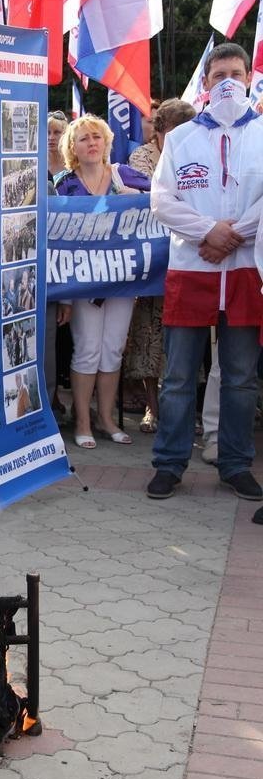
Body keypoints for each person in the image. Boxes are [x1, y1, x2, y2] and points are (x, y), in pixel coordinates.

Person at [147, 43, 263, 501]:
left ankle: (235, 463)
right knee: (178, 375)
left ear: (251, 78)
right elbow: (161, 200)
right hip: (192, 268)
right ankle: (169, 463)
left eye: (237, 72)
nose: (229, 81)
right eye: (220, 75)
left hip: (246, 269)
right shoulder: (181, 139)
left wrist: (232, 235)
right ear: (207, 83)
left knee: (239, 376)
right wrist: (207, 233)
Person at [55, 114, 150, 449]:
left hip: (121, 278)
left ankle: (106, 418)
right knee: (88, 350)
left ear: (107, 142)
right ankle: (82, 421)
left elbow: (159, 203)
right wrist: (64, 297)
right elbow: (58, 241)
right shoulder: (65, 184)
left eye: (97, 136)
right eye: (84, 138)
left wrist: (132, 197)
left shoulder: (125, 174)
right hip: (83, 281)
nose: (92, 142)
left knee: (112, 349)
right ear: (73, 147)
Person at [126, 98, 196, 434]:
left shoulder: (199, 154)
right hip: (151, 266)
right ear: (159, 132)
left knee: (184, 341)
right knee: (149, 340)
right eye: (173, 132)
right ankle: (153, 409)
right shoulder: (140, 159)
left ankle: (183, 411)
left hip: (189, 263)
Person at [47, 110, 68, 182]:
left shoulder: (74, 164)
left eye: (56, 132)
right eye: (48, 132)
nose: (51, 137)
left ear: (65, 135)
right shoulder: (37, 165)